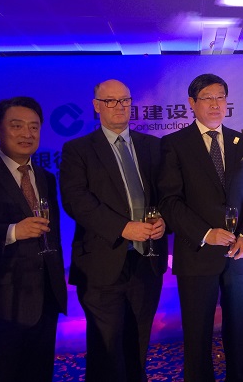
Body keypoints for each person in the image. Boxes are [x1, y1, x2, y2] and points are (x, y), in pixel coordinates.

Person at [158, 73, 243, 382]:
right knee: (197, 338)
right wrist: (206, 233)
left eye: (221, 97)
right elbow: (170, 201)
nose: (216, 104)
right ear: (192, 103)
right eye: (207, 98)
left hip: (238, 255)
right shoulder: (174, 145)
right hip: (197, 255)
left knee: (238, 336)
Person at [59, 79, 168, 382]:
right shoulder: (78, 149)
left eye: (125, 100)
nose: (119, 106)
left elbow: (168, 195)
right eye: (110, 101)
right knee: (106, 349)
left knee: (138, 344)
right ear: (97, 106)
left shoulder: (153, 146)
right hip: (101, 263)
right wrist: (123, 228)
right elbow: (76, 201)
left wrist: (165, 221)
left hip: (147, 261)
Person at [0, 97, 67, 382]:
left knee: (40, 372)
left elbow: (53, 235)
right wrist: (12, 231)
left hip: (45, 297)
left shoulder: (45, 176)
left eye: (34, 127)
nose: (27, 134)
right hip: (2, 301)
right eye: (17, 126)